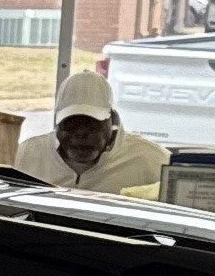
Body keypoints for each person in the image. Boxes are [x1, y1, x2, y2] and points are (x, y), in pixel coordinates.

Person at [16, 67, 169, 196]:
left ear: (113, 120)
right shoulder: (27, 155)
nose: (81, 133)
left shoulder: (151, 160)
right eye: (72, 122)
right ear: (57, 123)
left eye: (91, 123)